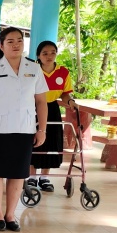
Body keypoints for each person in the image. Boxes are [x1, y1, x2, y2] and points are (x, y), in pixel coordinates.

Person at [0, 27, 48, 232]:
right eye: (10, 41)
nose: (16, 45)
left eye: (19, 41)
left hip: (24, 128)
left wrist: (41, 129)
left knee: (18, 174)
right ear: (1, 46)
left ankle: (10, 214)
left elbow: (41, 102)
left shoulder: (34, 68)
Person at [29, 41, 75, 192]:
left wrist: (71, 102)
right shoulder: (32, 70)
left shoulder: (63, 72)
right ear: (38, 55)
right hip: (33, 107)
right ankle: (31, 178)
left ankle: (44, 178)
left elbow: (65, 94)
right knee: (33, 141)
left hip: (53, 108)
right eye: (45, 53)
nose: (49, 56)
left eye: (52, 52)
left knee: (50, 142)